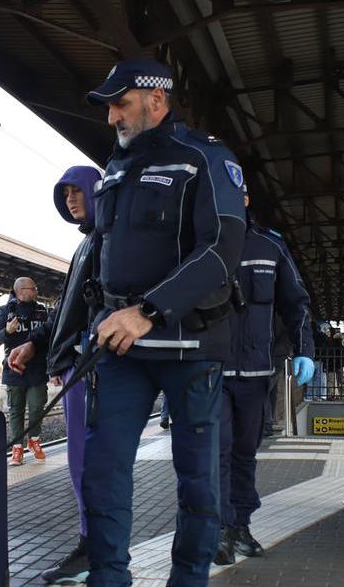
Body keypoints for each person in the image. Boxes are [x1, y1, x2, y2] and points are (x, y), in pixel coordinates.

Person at [81, 58, 247, 586]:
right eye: (108, 106)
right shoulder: (114, 169)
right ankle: (108, 580)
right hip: (122, 351)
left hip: (190, 347)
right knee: (103, 473)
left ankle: (189, 579)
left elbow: (222, 248)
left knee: (198, 481)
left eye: (120, 103)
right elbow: (98, 257)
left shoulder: (205, 158)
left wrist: (147, 311)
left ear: (157, 99)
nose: (112, 117)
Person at [8, 165, 102, 585]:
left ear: (98, 191)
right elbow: (67, 310)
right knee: (81, 463)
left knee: (89, 464)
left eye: (76, 191)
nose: (70, 199)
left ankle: (96, 548)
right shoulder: (85, 247)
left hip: (91, 369)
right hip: (75, 367)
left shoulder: (107, 243)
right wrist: (35, 343)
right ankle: (93, 544)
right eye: (64, 194)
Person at [215, 196, 314, 565]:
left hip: (257, 372)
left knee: (245, 452)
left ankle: (240, 525)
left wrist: (305, 349)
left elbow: (295, 302)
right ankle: (222, 529)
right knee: (218, 450)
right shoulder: (200, 242)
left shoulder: (270, 245)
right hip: (211, 370)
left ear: (244, 198)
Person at [0, 276, 49, 466]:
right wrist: (7, 331)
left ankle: (34, 440)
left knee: (36, 407)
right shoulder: (6, 311)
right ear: (19, 291)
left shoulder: (42, 311)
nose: (35, 291)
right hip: (13, 369)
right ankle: (17, 449)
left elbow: (50, 336)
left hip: (38, 369)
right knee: (15, 410)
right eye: (31, 288)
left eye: (35, 288)